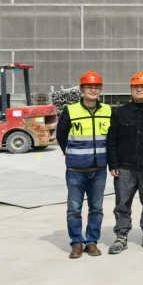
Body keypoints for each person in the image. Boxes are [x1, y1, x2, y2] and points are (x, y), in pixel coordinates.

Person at [56, 71, 111, 259]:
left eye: (96, 87)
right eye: (89, 87)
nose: (93, 90)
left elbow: (112, 138)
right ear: (82, 89)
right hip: (75, 170)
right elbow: (61, 136)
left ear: (100, 90)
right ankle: (77, 243)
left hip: (99, 169)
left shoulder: (108, 111)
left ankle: (92, 241)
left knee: (96, 208)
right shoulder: (70, 111)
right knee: (74, 209)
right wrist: (73, 154)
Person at [105, 71, 143, 254]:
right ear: (131, 89)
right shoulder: (120, 112)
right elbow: (112, 139)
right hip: (125, 168)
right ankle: (121, 236)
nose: (139, 89)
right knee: (122, 204)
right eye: (136, 87)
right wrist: (113, 164)